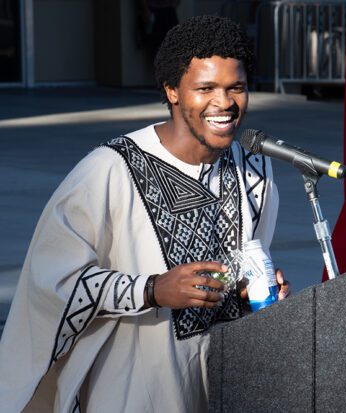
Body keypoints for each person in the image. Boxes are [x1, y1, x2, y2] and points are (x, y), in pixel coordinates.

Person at [0, 15, 288, 412]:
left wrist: (247, 292)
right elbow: (53, 282)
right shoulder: (108, 170)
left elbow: (247, 263)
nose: (224, 103)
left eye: (235, 87)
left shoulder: (254, 171)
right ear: (172, 90)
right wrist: (152, 289)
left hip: (227, 383)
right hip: (133, 390)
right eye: (205, 88)